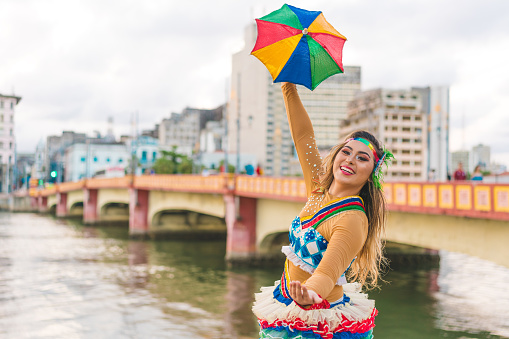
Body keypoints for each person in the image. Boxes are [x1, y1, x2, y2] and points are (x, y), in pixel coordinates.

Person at [252, 83, 393, 339]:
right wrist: (288, 87)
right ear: (337, 155)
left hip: (318, 320)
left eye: (362, 158)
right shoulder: (319, 187)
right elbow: (303, 136)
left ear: (371, 173)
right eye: (346, 151)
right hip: (285, 304)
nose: (350, 159)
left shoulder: (352, 219)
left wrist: (311, 295)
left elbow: (328, 272)